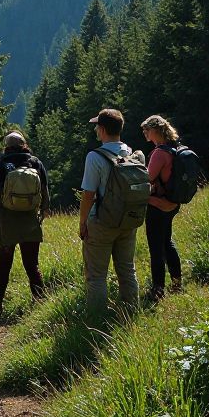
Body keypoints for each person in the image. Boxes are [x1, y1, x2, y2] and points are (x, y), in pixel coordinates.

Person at [78, 108, 141, 309]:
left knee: (96, 275)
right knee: (127, 269)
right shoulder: (131, 153)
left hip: (102, 222)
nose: (96, 130)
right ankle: (131, 311)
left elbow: (88, 194)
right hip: (128, 219)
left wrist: (83, 223)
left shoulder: (95, 157)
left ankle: (97, 318)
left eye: (97, 126)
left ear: (103, 129)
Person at [0, 130, 49, 320]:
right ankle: (41, 306)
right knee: (32, 265)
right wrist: (42, 213)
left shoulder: (1, 166)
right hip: (30, 221)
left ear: (6, 147)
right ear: (24, 145)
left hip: (6, 222)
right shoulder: (36, 163)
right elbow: (45, 191)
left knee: (3, 266)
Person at [141, 114, 183, 301]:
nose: (144, 133)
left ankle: (158, 290)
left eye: (146, 129)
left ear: (154, 130)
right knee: (167, 242)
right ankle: (177, 283)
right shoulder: (174, 147)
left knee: (156, 248)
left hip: (158, 205)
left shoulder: (159, 153)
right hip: (172, 203)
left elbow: (147, 179)